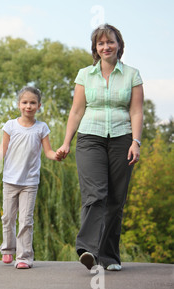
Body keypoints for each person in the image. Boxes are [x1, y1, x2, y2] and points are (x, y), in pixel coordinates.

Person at [56, 24, 144, 271]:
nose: (106, 47)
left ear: (119, 45)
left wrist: (136, 142)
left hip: (122, 138)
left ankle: (109, 256)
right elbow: (76, 111)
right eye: (101, 43)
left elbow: (136, 111)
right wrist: (66, 142)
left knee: (116, 199)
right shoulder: (85, 74)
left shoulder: (132, 75)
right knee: (96, 194)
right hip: (90, 137)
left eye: (110, 42)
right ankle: (87, 249)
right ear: (96, 48)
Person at [0, 86, 61, 269]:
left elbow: (48, 152)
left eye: (32, 103)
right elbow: (2, 150)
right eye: (25, 102)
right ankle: (8, 249)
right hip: (10, 181)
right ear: (18, 104)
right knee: (7, 217)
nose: (28, 106)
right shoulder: (10, 125)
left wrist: (57, 155)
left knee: (26, 220)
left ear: (39, 106)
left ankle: (24, 257)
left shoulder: (42, 128)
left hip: (29, 182)